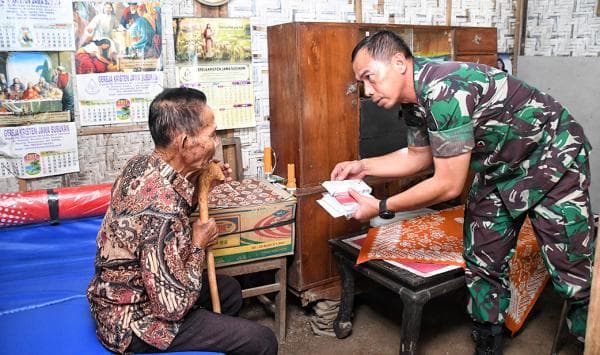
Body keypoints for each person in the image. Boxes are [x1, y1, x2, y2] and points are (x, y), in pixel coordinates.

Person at [330, 30, 594, 355]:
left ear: (399, 62)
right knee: (482, 258)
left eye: (370, 78)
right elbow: (418, 156)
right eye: (361, 84)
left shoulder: (444, 91)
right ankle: (488, 342)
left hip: (550, 156)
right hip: (499, 165)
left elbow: (448, 184)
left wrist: (380, 206)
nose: (368, 92)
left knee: (573, 272)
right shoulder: (413, 101)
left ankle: (591, 340)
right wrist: (364, 166)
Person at [87, 87, 277, 355]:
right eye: (211, 135)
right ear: (185, 142)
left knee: (229, 291)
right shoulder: (160, 210)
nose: (215, 142)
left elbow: (173, 203)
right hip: (132, 322)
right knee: (262, 341)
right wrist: (199, 243)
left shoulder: (140, 165)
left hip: (122, 294)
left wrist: (204, 180)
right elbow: (171, 306)